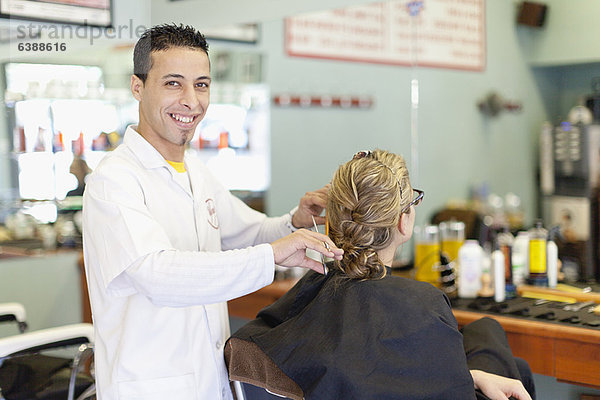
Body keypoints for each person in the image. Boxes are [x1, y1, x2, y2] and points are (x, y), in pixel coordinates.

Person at [81, 24, 342, 400]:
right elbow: (158, 275)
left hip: (208, 382)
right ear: (137, 87)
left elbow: (245, 232)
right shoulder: (114, 180)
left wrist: (293, 222)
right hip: (151, 388)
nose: (191, 101)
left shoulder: (196, 172)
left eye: (201, 84)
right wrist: (272, 254)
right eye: (174, 83)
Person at [227, 150, 534, 400]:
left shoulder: (312, 289)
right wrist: (468, 378)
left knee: (489, 338)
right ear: (404, 222)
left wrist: (470, 375)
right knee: (492, 338)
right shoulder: (424, 303)